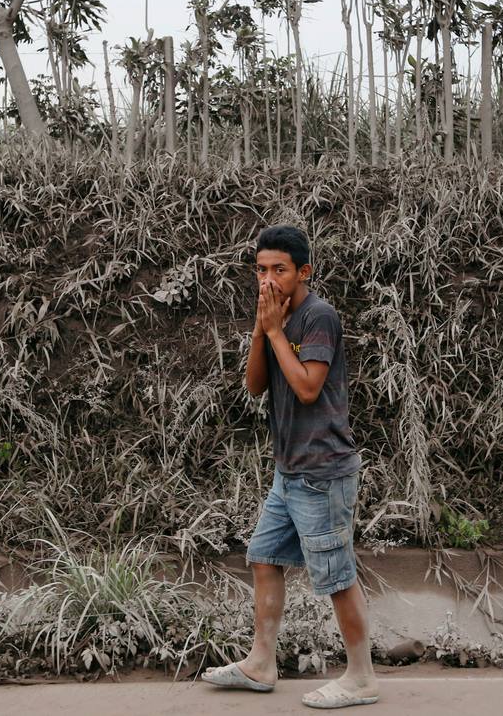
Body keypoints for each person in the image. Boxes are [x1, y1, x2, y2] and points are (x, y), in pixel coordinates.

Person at [202, 224, 379, 709]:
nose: (267, 281)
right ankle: (261, 663)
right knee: (263, 556)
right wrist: (263, 329)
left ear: (303, 271)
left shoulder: (319, 317)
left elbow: (306, 388)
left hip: (322, 472)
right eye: (260, 270)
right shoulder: (273, 316)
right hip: (289, 471)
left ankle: (361, 676)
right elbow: (255, 386)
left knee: (336, 577)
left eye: (278, 270)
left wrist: (277, 330)